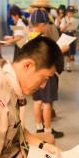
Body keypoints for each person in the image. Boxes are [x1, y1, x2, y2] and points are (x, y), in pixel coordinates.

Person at [30, 9, 65, 139]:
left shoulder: (28, 38)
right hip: (46, 76)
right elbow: (49, 58)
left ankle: (39, 128)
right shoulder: (44, 40)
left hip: (34, 76)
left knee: (37, 101)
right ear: (43, 24)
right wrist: (61, 49)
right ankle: (48, 131)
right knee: (46, 103)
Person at [60, 5, 78, 72]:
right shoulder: (64, 19)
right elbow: (61, 29)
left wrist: (74, 29)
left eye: (72, 12)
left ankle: (68, 66)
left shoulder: (73, 20)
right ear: (66, 12)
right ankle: (62, 66)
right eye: (69, 12)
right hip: (65, 35)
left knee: (70, 52)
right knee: (64, 51)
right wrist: (67, 24)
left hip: (71, 34)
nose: (71, 14)